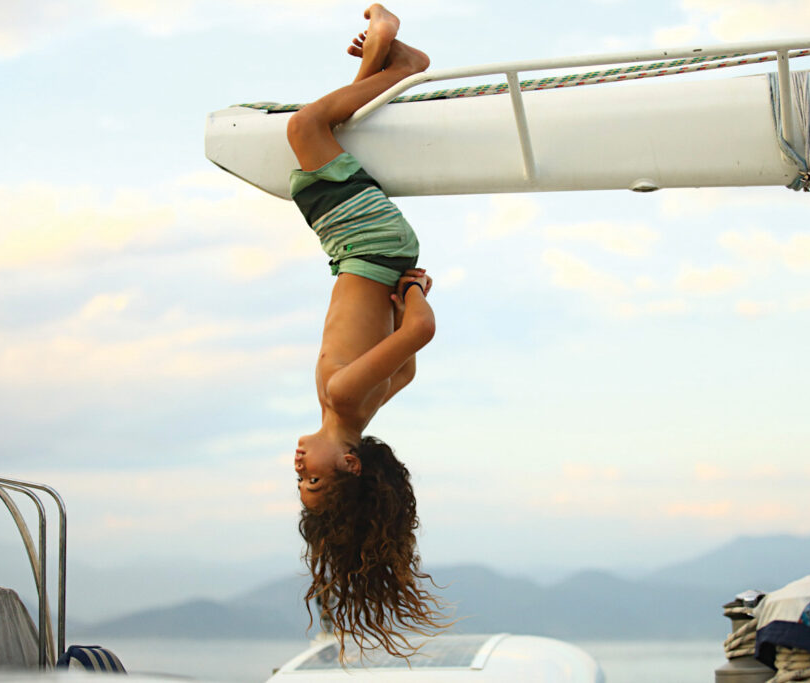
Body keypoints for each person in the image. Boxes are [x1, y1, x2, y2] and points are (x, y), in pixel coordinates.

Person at [286, 4, 446, 659]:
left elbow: (405, 369)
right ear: (350, 463)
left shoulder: (367, 401)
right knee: (306, 128)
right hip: (369, 244)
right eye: (316, 480)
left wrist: (403, 296)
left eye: (301, 483)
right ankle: (398, 58)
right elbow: (421, 337)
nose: (300, 470)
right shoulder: (345, 400)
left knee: (322, 139)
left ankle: (379, 63)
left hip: (362, 251)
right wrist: (411, 295)